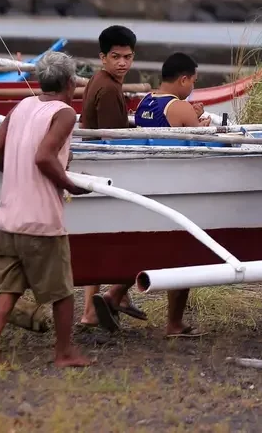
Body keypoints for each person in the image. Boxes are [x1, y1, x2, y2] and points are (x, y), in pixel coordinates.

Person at [0, 51, 92, 368]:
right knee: (62, 290)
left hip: (8, 216)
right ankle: (64, 353)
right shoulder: (65, 113)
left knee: (8, 288)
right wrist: (69, 184)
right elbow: (44, 156)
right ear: (70, 83)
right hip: (41, 218)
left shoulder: (22, 106)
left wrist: (12, 171)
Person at [89, 52, 208, 337]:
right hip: (178, 184)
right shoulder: (179, 107)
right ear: (183, 79)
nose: (192, 85)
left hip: (150, 183)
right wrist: (200, 122)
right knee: (182, 254)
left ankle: (114, 296)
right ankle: (175, 323)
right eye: (192, 80)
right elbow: (205, 140)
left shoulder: (145, 102)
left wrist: (193, 115)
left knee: (151, 249)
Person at [78, 25, 148, 328]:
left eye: (128, 57)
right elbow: (113, 140)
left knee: (99, 241)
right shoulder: (107, 88)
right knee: (126, 239)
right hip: (108, 168)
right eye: (116, 57)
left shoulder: (101, 80)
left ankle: (93, 310)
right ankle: (111, 298)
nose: (123, 63)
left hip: (94, 166)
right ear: (102, 57)